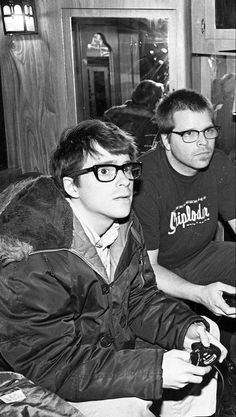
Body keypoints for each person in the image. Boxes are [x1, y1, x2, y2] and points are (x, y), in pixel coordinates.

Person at [0, 119, 226, 417]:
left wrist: (186, 329)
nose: (124, 182)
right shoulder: (32, 257)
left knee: (200, 370)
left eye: (127, 169)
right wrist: (154, 370)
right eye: (104, 171)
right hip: (38, 381)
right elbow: (49, 363)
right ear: (72, 185)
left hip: (102, 351)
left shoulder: (124, 226)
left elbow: (141, 299)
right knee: (130, 408)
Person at [133, 89, 236, 358]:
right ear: (166, 140)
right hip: (154, 274)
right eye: (189, 134)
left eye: (208, 131)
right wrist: (200, 294)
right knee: (178, 339)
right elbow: (149, 268)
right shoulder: (145, 181)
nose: (203, 143)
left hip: (200, 255)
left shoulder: (218, 164)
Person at [104, 79, 164, 154]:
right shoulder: (155, 121)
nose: (162, 100)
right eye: (161, 97)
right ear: (156, 100)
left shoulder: (113, 114)